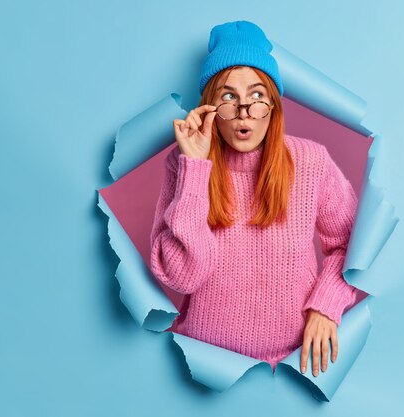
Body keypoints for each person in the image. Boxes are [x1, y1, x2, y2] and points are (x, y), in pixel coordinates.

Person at [150, 20, 361, 376]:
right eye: (229, 97)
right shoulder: (184, 164)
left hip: (294, 368)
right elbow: (182, 278)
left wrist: (327, 305)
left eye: (257, 96)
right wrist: (194, 168)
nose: (245, 111)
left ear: (274, 106)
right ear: (210, 109)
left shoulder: (310, 162)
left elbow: (353, 247)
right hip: (203, 367)